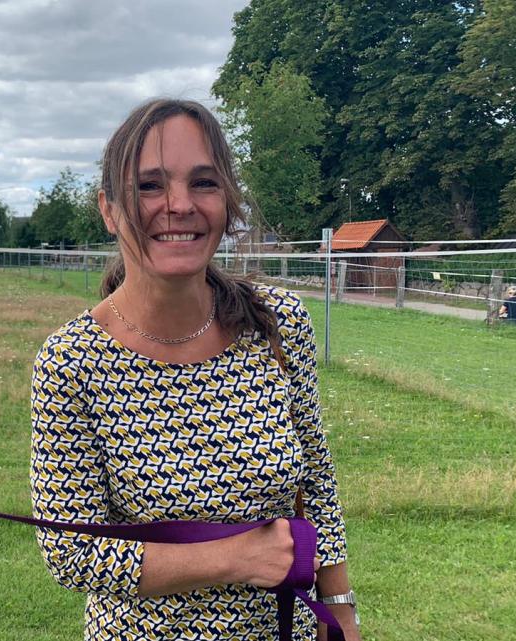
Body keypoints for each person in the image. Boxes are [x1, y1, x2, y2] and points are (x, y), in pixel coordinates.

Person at [29, 98, 360, 641]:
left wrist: (342, 610)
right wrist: (235, 558)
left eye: (204, 183)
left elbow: (317, 482)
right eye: (150, 186)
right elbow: (70, 549)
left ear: (227, 203)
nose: (179, 205)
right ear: (109, 209)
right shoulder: (72, 361)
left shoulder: (277, 327)